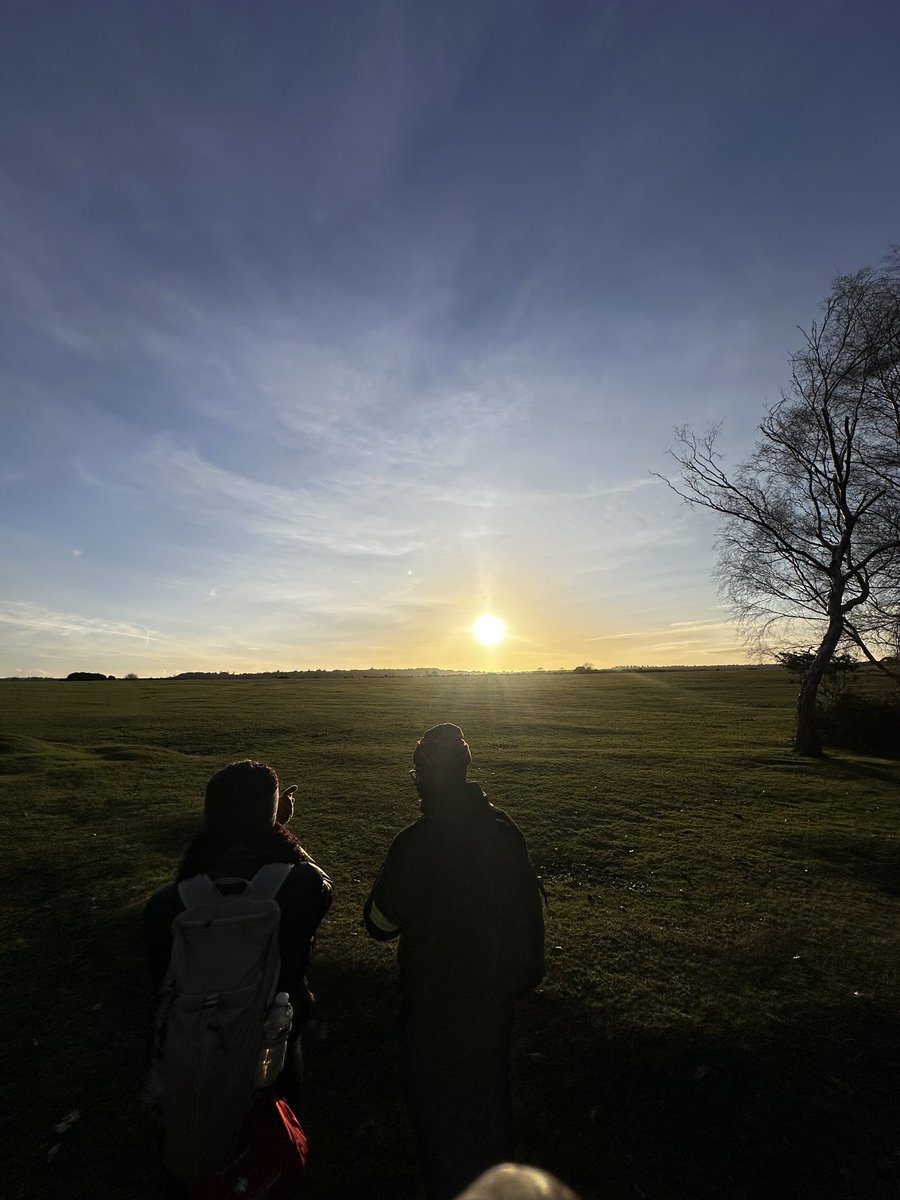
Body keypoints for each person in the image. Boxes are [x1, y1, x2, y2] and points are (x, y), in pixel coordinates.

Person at [364, 723, 545, 1200]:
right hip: (494, 994)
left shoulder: (414, 843)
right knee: (489, 1093)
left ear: (425, 775)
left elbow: (379, 924)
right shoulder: (505, 829)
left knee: (436, 1103)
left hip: (432, 998)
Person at [143, 759, 333, 1110]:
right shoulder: (301, 888)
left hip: (195, 1039)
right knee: (278, 1117)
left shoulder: (167, 905)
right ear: (269, 816)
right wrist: (276, 827)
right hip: (274, 1030)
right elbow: (316, 878)